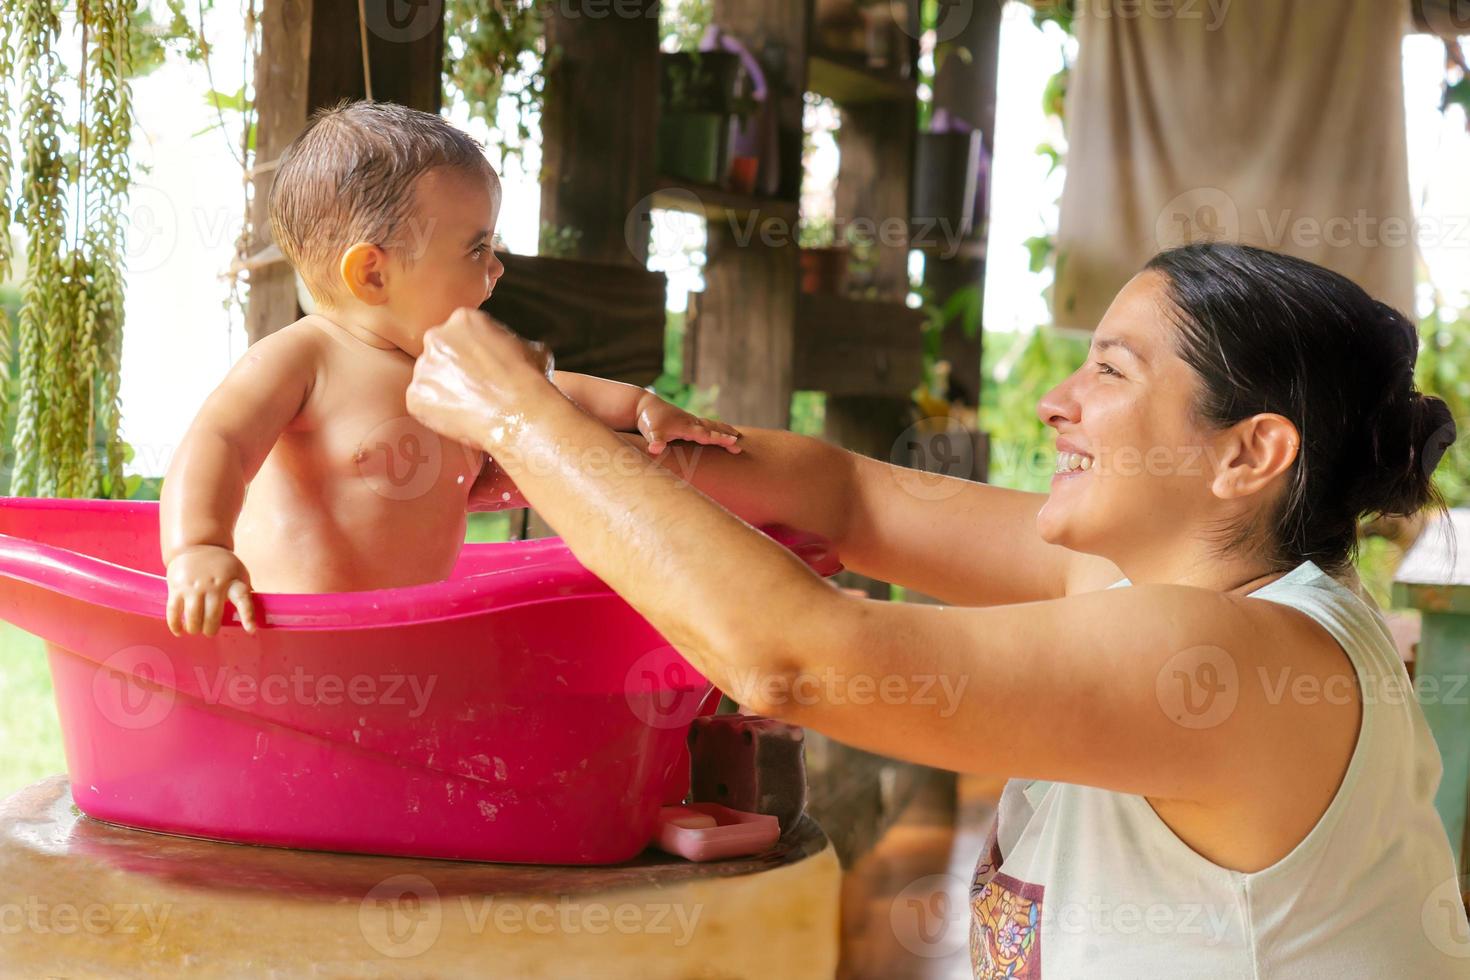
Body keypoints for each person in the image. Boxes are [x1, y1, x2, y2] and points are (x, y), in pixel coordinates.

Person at [405, 243, 1469, 977]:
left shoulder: (1235, 660)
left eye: (1110, 369)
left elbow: (798, 657)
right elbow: (853, 498)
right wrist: (608, 429)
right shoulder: (1154, 584)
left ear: (1249, 453)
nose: (1058, 399)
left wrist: (521, 414)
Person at [160, 101, 739, 636]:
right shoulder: (302, 358)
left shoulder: (448, 370)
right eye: (476, 249)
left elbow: (543, 395)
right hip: (296, 642)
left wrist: (637, 406)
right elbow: (220, 441)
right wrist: (200, 546)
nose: (497, 268)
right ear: (373, 274)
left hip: (416, 641)